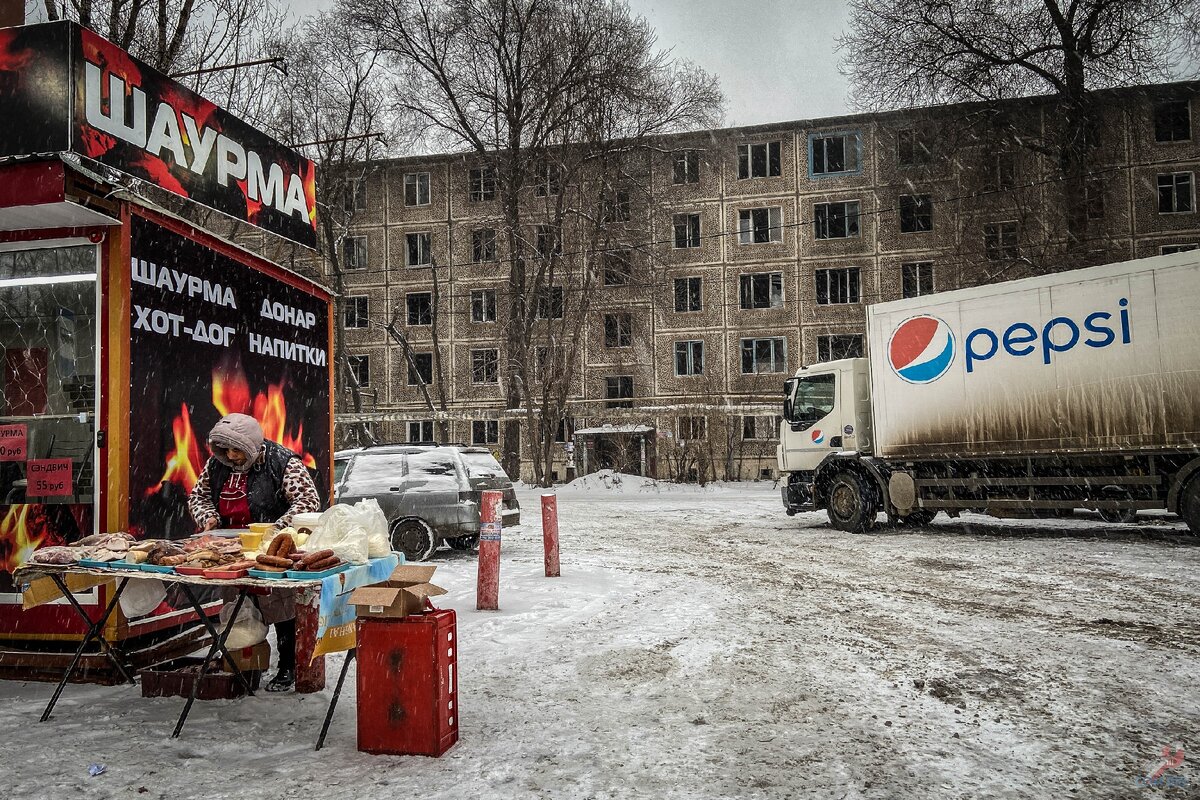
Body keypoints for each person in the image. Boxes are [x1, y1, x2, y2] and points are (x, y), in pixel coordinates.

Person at [187, 413, 321, 692]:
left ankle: (287, 667)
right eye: (225, 449)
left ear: (251, 445)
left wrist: (277, 528)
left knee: (281, 609)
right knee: (239, 609)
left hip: (273, 548)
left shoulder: (282, 462)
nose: (231, 455)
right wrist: (209, 518)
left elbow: (308, 500)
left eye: (236, 449)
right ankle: (244, 665)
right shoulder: (217, 465)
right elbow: (198, 496)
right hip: (231, 549)